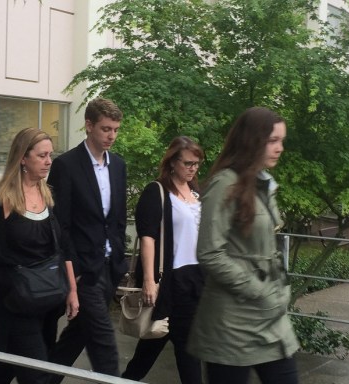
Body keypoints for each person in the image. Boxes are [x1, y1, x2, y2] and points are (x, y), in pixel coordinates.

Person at [0, 127, 79, 384]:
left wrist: (72, 290)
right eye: (41, 156)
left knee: (5, 365)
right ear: (23, 158)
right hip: (13, 302)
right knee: (35, 374)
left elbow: (61, 248)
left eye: (50, 155)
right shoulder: (2, 201)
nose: (48, 161)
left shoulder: (47, 196)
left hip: (45, 299)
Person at [187, 107, 300, 384]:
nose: (280, 148)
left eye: (281, 141)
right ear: (253, 140)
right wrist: (258, 290)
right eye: (273, 140)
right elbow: (210, 253)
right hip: (232, 326)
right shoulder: (224, 184)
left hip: (271, 320)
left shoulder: (261, 184)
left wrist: (276, 291)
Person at [45, 97, 128, 381]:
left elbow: (118, 218)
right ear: (89, 125)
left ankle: (42, 380)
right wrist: (74, 271)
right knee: (103, 341)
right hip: (83, 270)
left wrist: (119, 259)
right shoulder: (66, 165)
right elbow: (59, 224)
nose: (112, 136)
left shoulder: (118, 166)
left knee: (77, 336)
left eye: (116, 129)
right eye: (106, 129)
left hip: (109, 266)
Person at [121, 136, 205, 383]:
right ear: (172, 162)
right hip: (170, 281)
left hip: (195, 280)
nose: (193, 168)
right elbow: (148, 238)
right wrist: (149, 280)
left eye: (197, 164)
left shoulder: (196, 193)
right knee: (185, 351)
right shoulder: (156, 192)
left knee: (152, 348)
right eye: (188, 163)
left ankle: (125, 380)